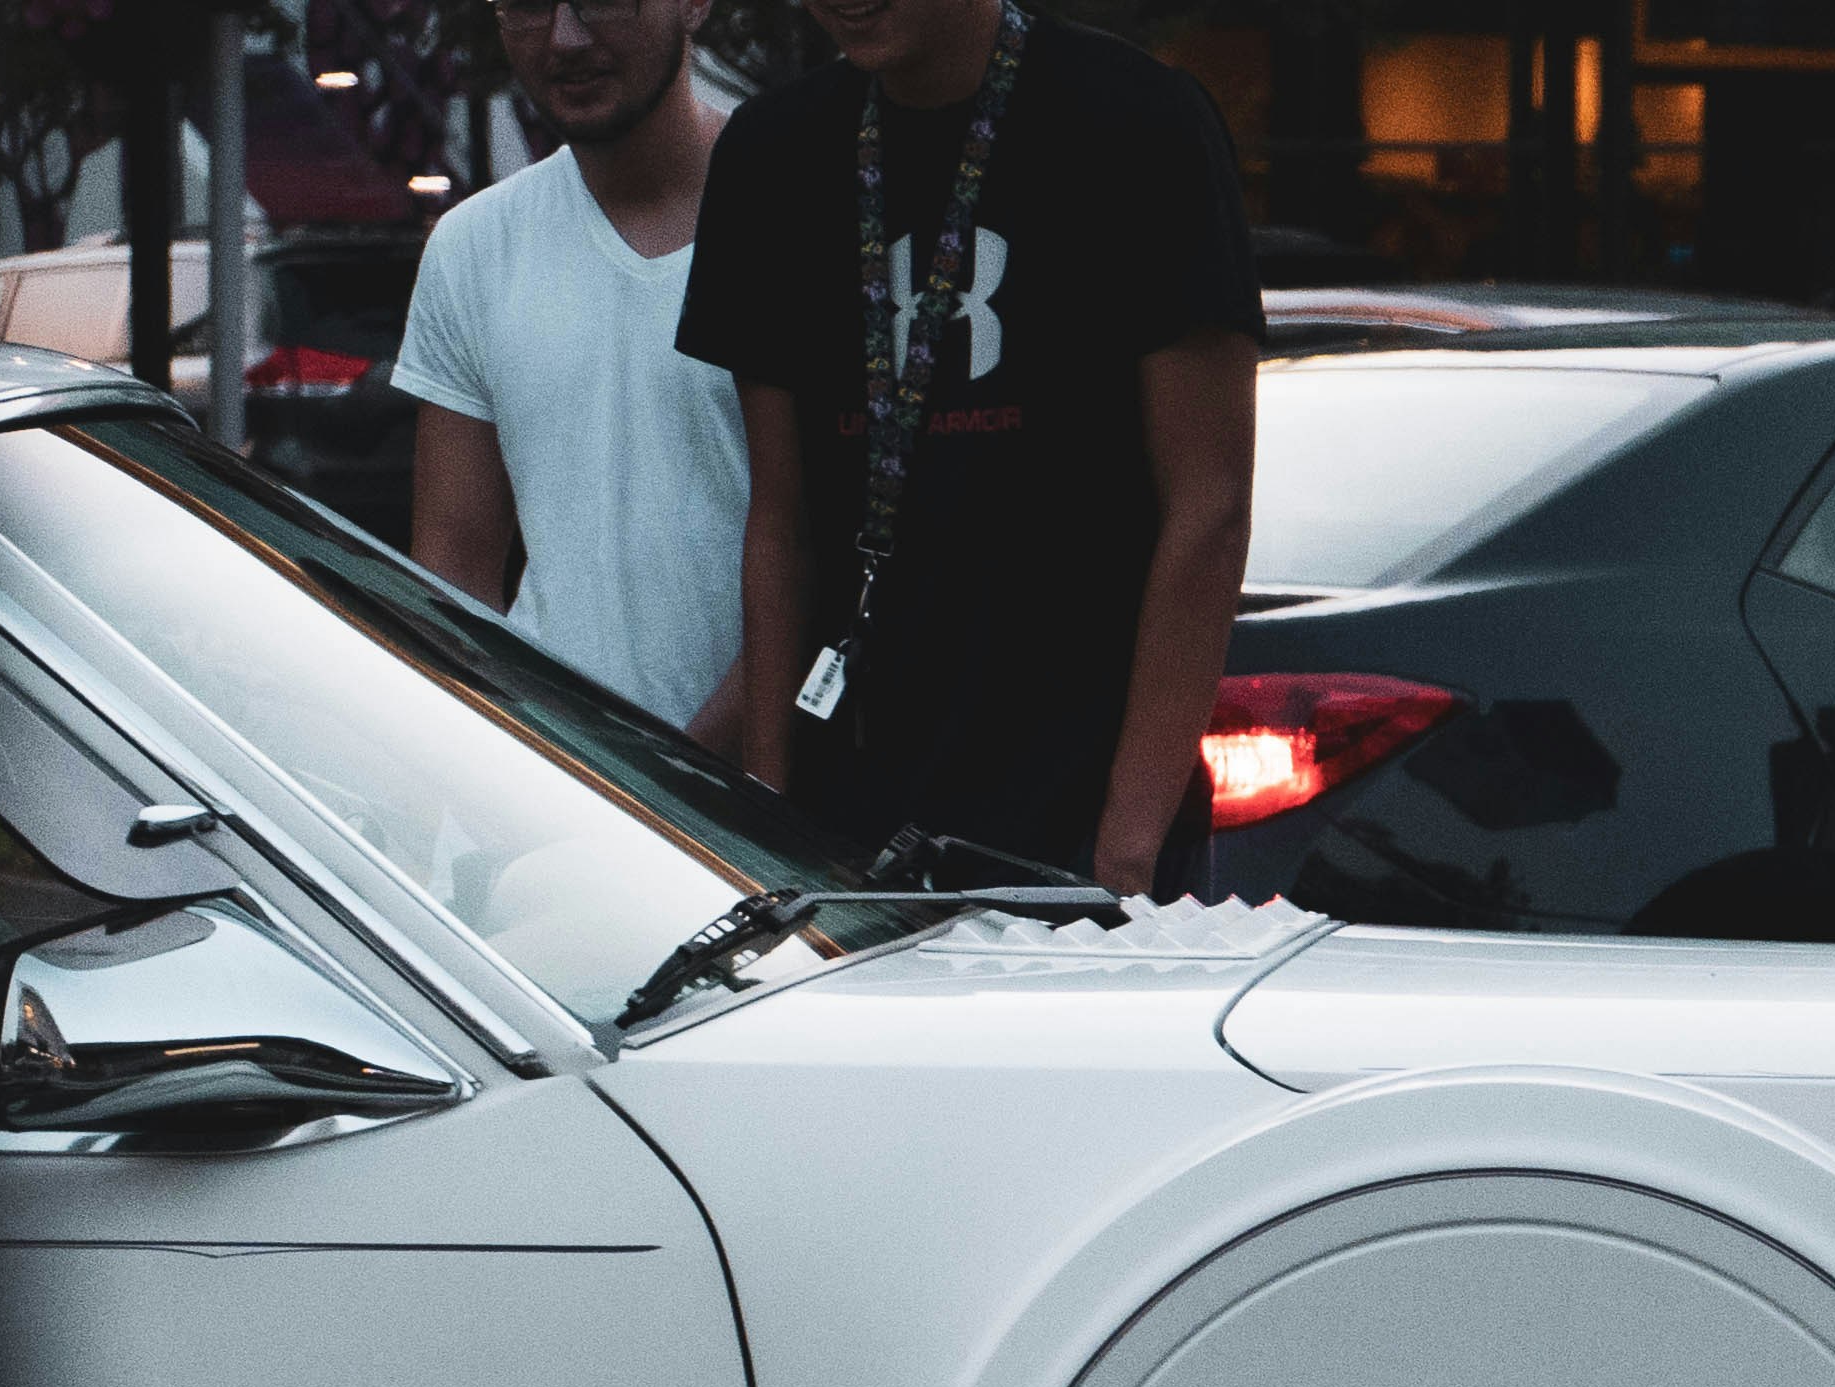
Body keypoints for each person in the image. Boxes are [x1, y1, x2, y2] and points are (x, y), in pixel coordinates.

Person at [679, 0, 1262, 895]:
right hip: (844, 825)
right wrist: (769, 808)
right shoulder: (772, 152)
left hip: (1077, 828)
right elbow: (781, 520)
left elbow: (1209, 506)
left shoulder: (1137, 120)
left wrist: (1126, 849)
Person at [397, 0, 746, 740]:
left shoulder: (793, 212)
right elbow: (453, 580)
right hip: (550, 792)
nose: (564, 37)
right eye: (525, 5)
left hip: (762, 810)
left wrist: (696, 773)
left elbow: (832, 558)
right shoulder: (474, 248)